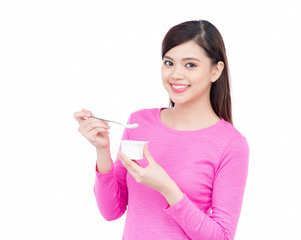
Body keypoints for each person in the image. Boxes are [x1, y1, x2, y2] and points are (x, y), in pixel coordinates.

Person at [74, 20, 249, 240]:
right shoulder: (139, 123)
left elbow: (222, 236)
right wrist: (102, 150)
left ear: (216, 71)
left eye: (190, 65)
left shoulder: (231, 144)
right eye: (169, 63)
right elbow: (111, 211)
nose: (175, 74)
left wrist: (168, 188)